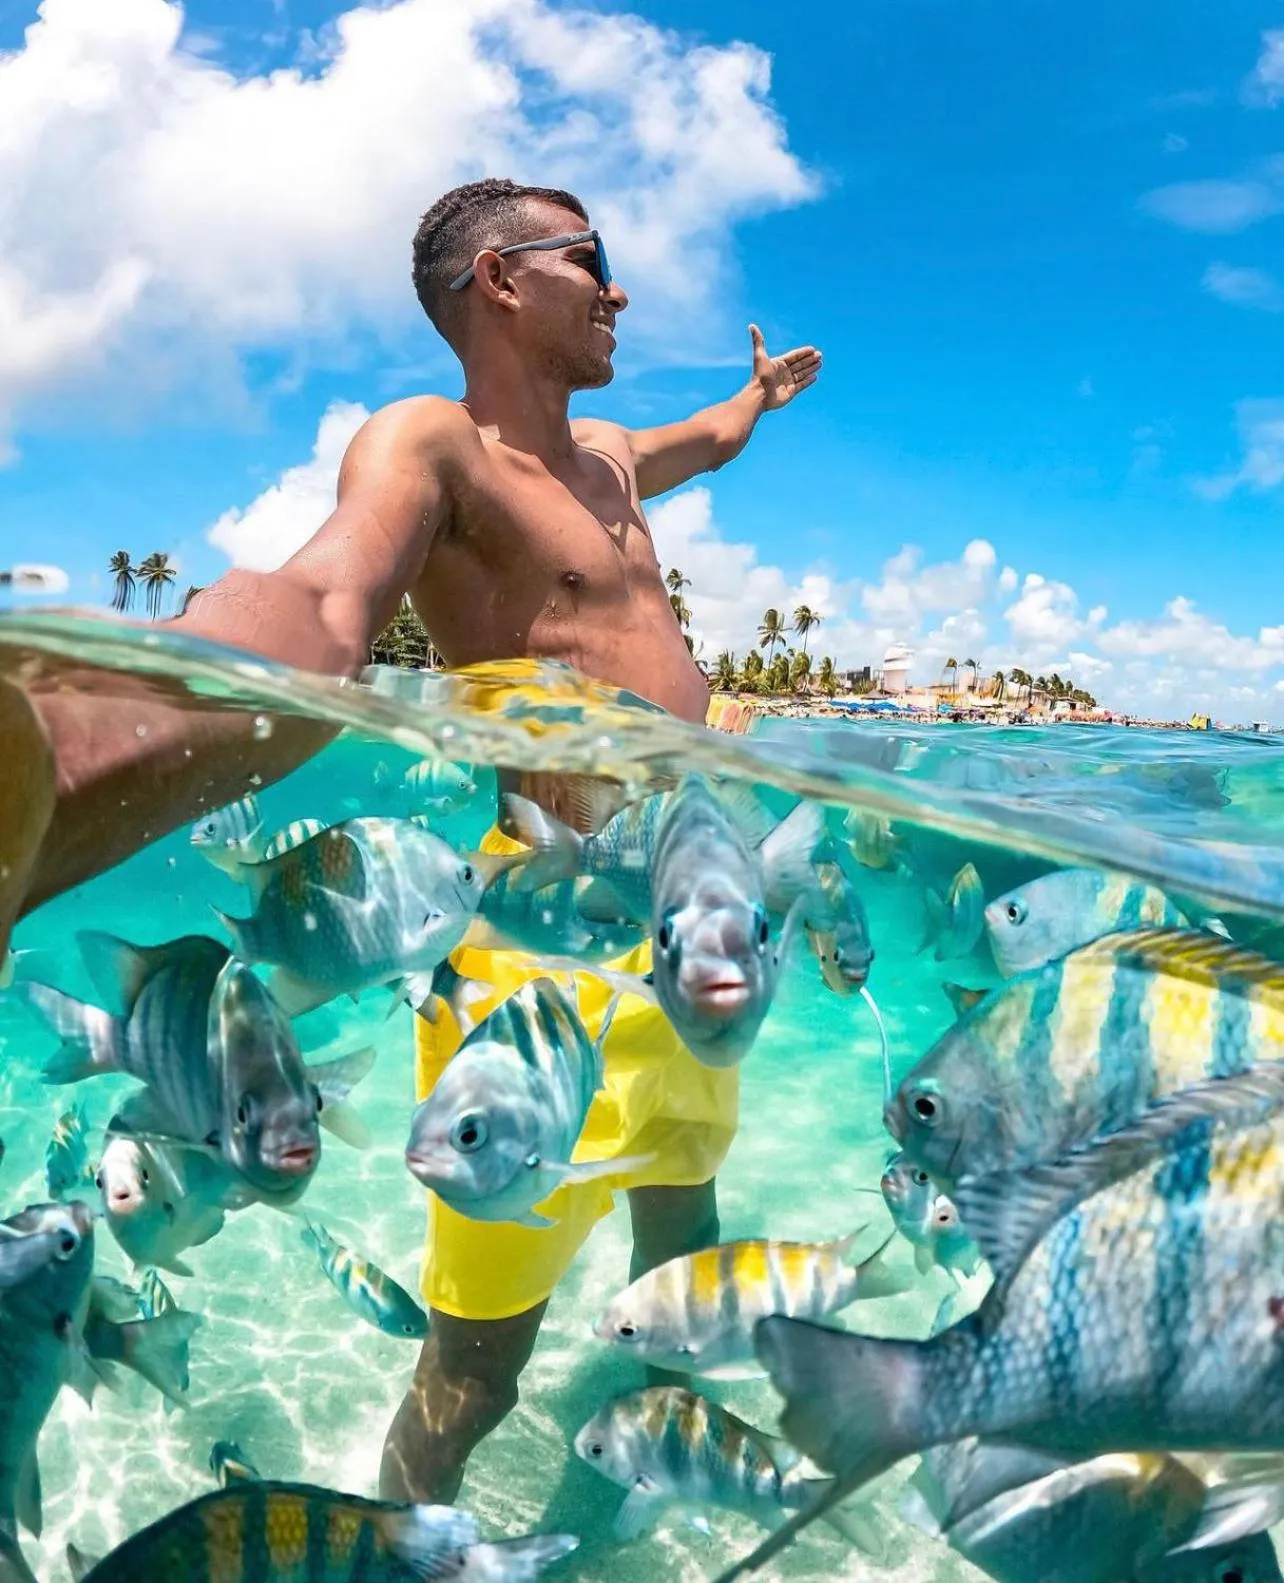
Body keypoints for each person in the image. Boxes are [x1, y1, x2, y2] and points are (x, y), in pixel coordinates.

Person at [0, 175, 819, 1500]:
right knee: (475, 1374)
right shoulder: (434, 446)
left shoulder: (612, 460)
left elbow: (710, 440)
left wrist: (759, 399)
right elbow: (322, 603)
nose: (618, 289)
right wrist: (67, 747)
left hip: (682, 938)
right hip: (538, 967)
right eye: (591, 258)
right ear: (500, 280)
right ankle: (395, 1538)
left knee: (681, 1266)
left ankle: (645, 1503)